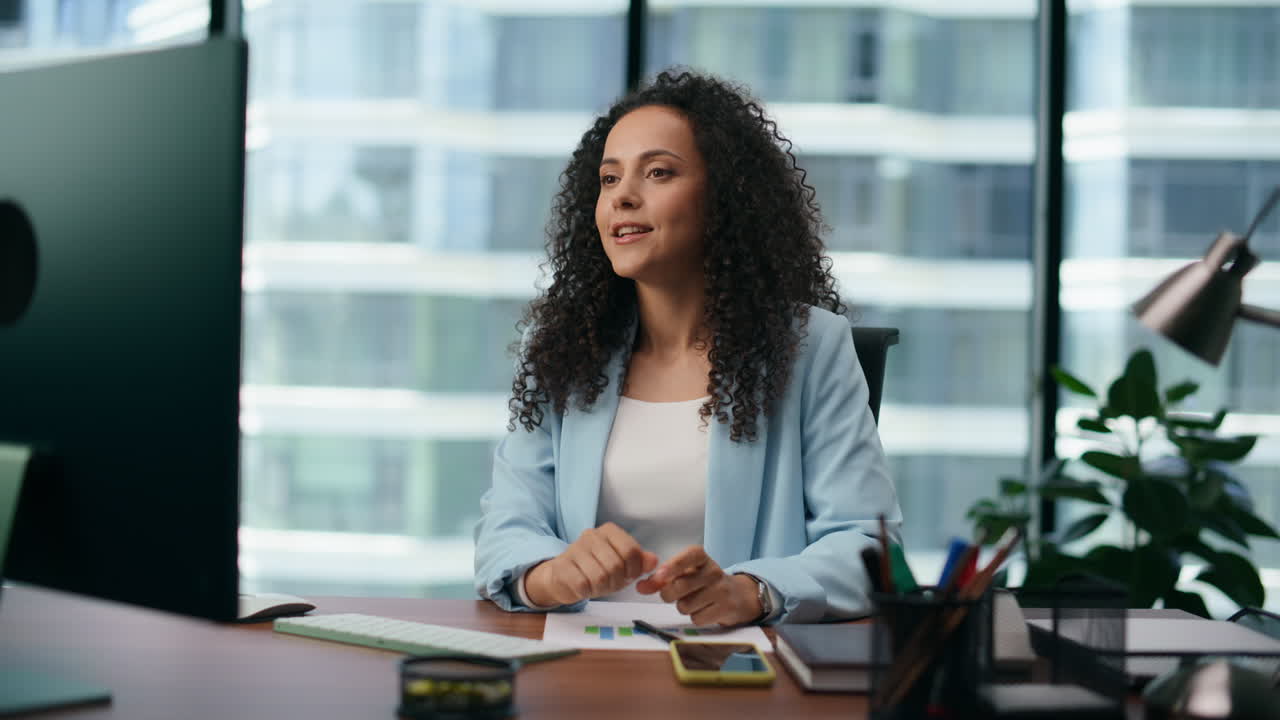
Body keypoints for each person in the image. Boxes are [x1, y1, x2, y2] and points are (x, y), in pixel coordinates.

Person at [473, 69, 901, 626]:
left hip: (735, 669)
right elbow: (505, 528)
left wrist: (752, 591)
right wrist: (552, 573)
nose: (623, 196)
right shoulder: (561, 352)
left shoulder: (811, 348)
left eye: (658, 172)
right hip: (583, 659)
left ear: (723, 198)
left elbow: (868, 546)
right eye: (608, 179)